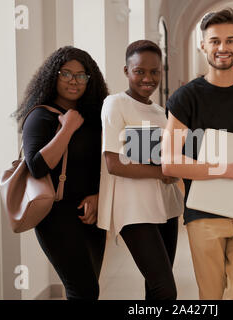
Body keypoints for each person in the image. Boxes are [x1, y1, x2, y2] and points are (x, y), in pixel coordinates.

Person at [161, 9, 233, 300]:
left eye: (229, 40)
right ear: (203, 45)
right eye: (214, 41)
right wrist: (227, 169)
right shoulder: (185, 98)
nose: (222, 48)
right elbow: (170, 162)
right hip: (204, 217)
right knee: (210, 296)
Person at [14, 46, 109, 300]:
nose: (73, 81)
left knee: (89, 288)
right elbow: (37, 167)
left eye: (81, 75)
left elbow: (104, 164)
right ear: (53, 76)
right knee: (84, 290)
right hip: (55, 216)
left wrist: (99, 196)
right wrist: (66, 128)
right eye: (66, 73)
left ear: (90, 80)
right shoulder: (40, 117)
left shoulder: (95, 117)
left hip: (90, 213)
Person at [97, 40, 184, 300]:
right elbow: (113, 162)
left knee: (155, 286)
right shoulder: (115, 104)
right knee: (165, 289)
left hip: (167, 206)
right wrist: (162, 172)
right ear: (126, 71)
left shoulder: (161, 112)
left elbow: (170, 156)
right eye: (139, 71)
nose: (148, 78)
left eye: (154, 72)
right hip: (135, 210)